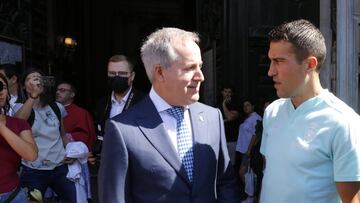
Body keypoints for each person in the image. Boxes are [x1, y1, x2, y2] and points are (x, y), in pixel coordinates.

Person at [98, 27, 241, 203]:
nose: (201, 76)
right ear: (160, 72)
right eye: (190, 68)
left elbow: (225, 183)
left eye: (201, 66)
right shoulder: (122, 130)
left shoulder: (212, 118)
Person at [260, 19, 360, 203]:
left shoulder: (344, 122)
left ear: (310, 64)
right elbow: (272, 178)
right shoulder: (272, 112)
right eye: (270, 61)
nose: (270, 71)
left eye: (279, 61)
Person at [13, 68, 77, 203]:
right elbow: (17, 123)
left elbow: (63, 135)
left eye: (39, 77)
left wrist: (71, 152)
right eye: (32, 78)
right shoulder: (19, 107)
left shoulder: (56, 107)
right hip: (34, 170)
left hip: (59, 167)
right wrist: (33, 96)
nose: (37, 80)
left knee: (71, 199)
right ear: (24, 86)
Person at [0, 72, 38, 203]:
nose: (0, 91)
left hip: (12, 196)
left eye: (3, 87)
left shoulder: (18, 123)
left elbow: (31, 155)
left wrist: (1, 127)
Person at [56, 81, 96, 201]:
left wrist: (72, 150)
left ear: (72, 94)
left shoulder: (81, 113)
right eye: (57, 90)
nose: (58, 92)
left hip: (73, 160)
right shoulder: (51, 110)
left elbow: (86, 136)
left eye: (63, 90)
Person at [95, 54, 145, 140]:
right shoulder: (102, 104)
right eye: (112, 73)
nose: (117, 76)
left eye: (122, 73)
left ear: (132, 76)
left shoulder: (144, 102)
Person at [216, 85, 240, 165]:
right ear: (222, 92)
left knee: (230, 164)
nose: (227, 94)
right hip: (219, 140)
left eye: (229, 92)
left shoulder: (235, 104)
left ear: (232, 94)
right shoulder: (216, 105)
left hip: (231, 140)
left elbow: (229, 117)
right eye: (225, 91)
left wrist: (224, 104)